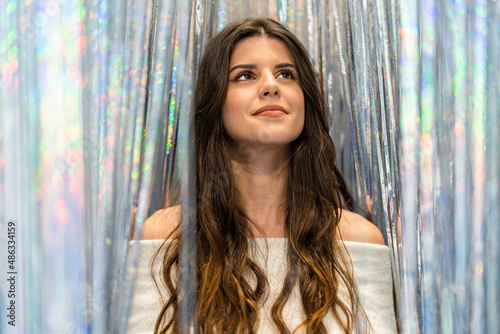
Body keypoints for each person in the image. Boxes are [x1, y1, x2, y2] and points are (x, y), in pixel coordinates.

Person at [128, 18, 396, 334]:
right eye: (245, 75)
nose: (271, 85)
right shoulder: (166, 237)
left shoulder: (357, 239)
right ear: (214, 102)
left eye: (286, 74)